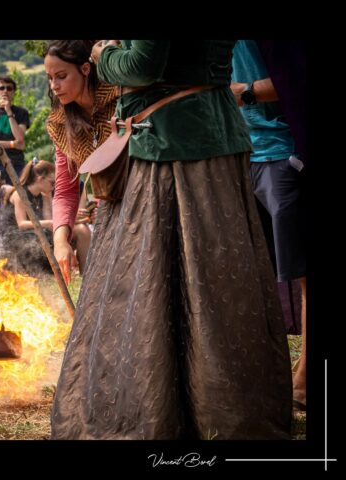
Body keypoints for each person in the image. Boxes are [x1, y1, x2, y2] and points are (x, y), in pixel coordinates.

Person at [49, 40, 293, 440]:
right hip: (213, 135)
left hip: (173, 148)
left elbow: (144, 64)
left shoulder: (101, 64)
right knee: (214, 278)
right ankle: (229, 407)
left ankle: (179, 410)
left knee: (154, 279)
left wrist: (102, 54)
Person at [231, 40, 306, 411]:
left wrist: (242, 93)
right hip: (236, 153)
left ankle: (306, 379)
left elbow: (297, 77)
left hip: (282, 153)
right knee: (251, 273)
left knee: (302, 273)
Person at [43, 40, 118, 284]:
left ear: (86, 69)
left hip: (146, 203)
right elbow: (65, 190)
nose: (54, 86)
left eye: (61, 76)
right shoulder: (59, 124)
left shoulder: (122, 96)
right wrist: (60, 241)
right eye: (49, 78)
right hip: (109, 215)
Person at [6, 158, 90, 274]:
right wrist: (49, 223)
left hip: (38, 233)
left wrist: (74, 219)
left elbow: (48, 217)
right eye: (52, 183)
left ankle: (85, 272)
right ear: (40, 179)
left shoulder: (44, 194)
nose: (54, 187)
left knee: (81, 229)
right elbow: (21, 224)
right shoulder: (20, 194)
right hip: (18, 237)